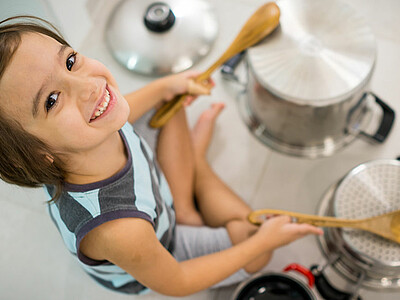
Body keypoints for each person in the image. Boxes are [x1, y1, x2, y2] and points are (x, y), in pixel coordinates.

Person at [0, 16, 323, 296]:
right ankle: (196, 169)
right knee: (255, 251)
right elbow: (177, 282)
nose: (88, 86)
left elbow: (125, 111)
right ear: (38, 153)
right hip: (163, 242)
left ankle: (183, 202)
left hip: (155, 195)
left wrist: (167, 86)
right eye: (53, 100)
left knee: (168, 106)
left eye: (70, 61)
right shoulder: (119, 229)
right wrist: (262, 243)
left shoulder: (85, 134)